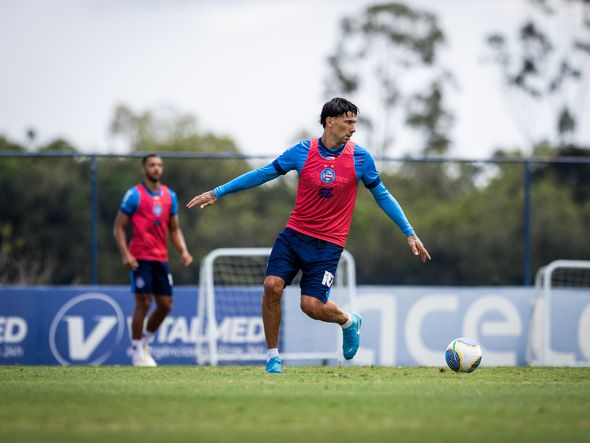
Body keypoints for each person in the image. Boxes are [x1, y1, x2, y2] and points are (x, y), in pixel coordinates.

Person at [187, 98, 430, 373]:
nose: (353, 128)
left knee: (311, 305)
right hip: (294, 236)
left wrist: (409, 233)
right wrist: (217, 192)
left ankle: (349, 321)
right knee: (271, 286)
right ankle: (272, 357)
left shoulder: (361, 158)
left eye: (355, 123)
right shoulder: (302, 151)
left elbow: (382, 195)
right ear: (330, 121)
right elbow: (263, 174)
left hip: (328, 245)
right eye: (349, 122)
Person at [114, 153, 193, 366]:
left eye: (159, 165)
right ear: (144, 169)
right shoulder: (134, 195)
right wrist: (126, 253)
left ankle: (145, 342)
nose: (156, 168)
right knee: (144, 303)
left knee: (166, 305)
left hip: (161, 258)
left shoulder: (170, 196)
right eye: (152, 165)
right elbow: (119, 227)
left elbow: (174, 229)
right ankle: (135, 349)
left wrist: (183, 251)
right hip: (140, 257)